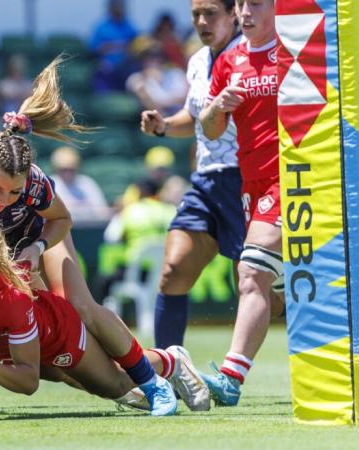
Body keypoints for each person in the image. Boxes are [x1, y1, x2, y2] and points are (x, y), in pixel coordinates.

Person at [0, 57, 209, 410]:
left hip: (35, 242)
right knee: (54, 363)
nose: (2, 201)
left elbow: (62, 220)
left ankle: (152, 382)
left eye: (13, 193)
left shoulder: (34, 184)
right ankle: (166, 363)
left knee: (82, 310)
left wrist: (38, 247)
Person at [0, 209, 210, 414]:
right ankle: (166, 373)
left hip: (58, 336)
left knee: (114, 385)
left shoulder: (11, 298)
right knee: (99, 386)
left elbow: (28, 382)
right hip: (20, 350)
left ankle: (171, 360)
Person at [139, 0, 243, 352]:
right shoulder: (198, 60)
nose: (201, 22)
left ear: (234, 14)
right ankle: (168, 371)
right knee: (172, 272)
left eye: (210, 13)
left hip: (249, 180)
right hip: (205, 181)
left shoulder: (253, 54)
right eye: (196, 15)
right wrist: (165, 126)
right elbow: (195, 115)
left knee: (259, 289)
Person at [198, 0, 282, 406]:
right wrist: (216, 107)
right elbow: (212, 131)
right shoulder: (229, 61)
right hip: (253, 185)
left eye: (256, 4)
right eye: (241, 5)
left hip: (297, 181)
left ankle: (230, 377)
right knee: (272, 286)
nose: (246, 12)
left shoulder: (297, 50)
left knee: (251, 273)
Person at [49, 145, 111, 221]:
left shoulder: (87, 183)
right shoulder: (50, 184)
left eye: (71, 169)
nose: (68, 173)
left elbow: (103, 213)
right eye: (64, 170)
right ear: (56, 168)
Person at [89, 0, 139, 92]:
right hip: (106, 64)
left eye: (121, 6)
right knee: (104, 70)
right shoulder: (101, 27)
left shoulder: (129, 26)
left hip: (126, 65)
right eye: (116, 6)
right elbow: (94, 50)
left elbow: (137, 45)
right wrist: (110, 48)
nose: (119, 9)